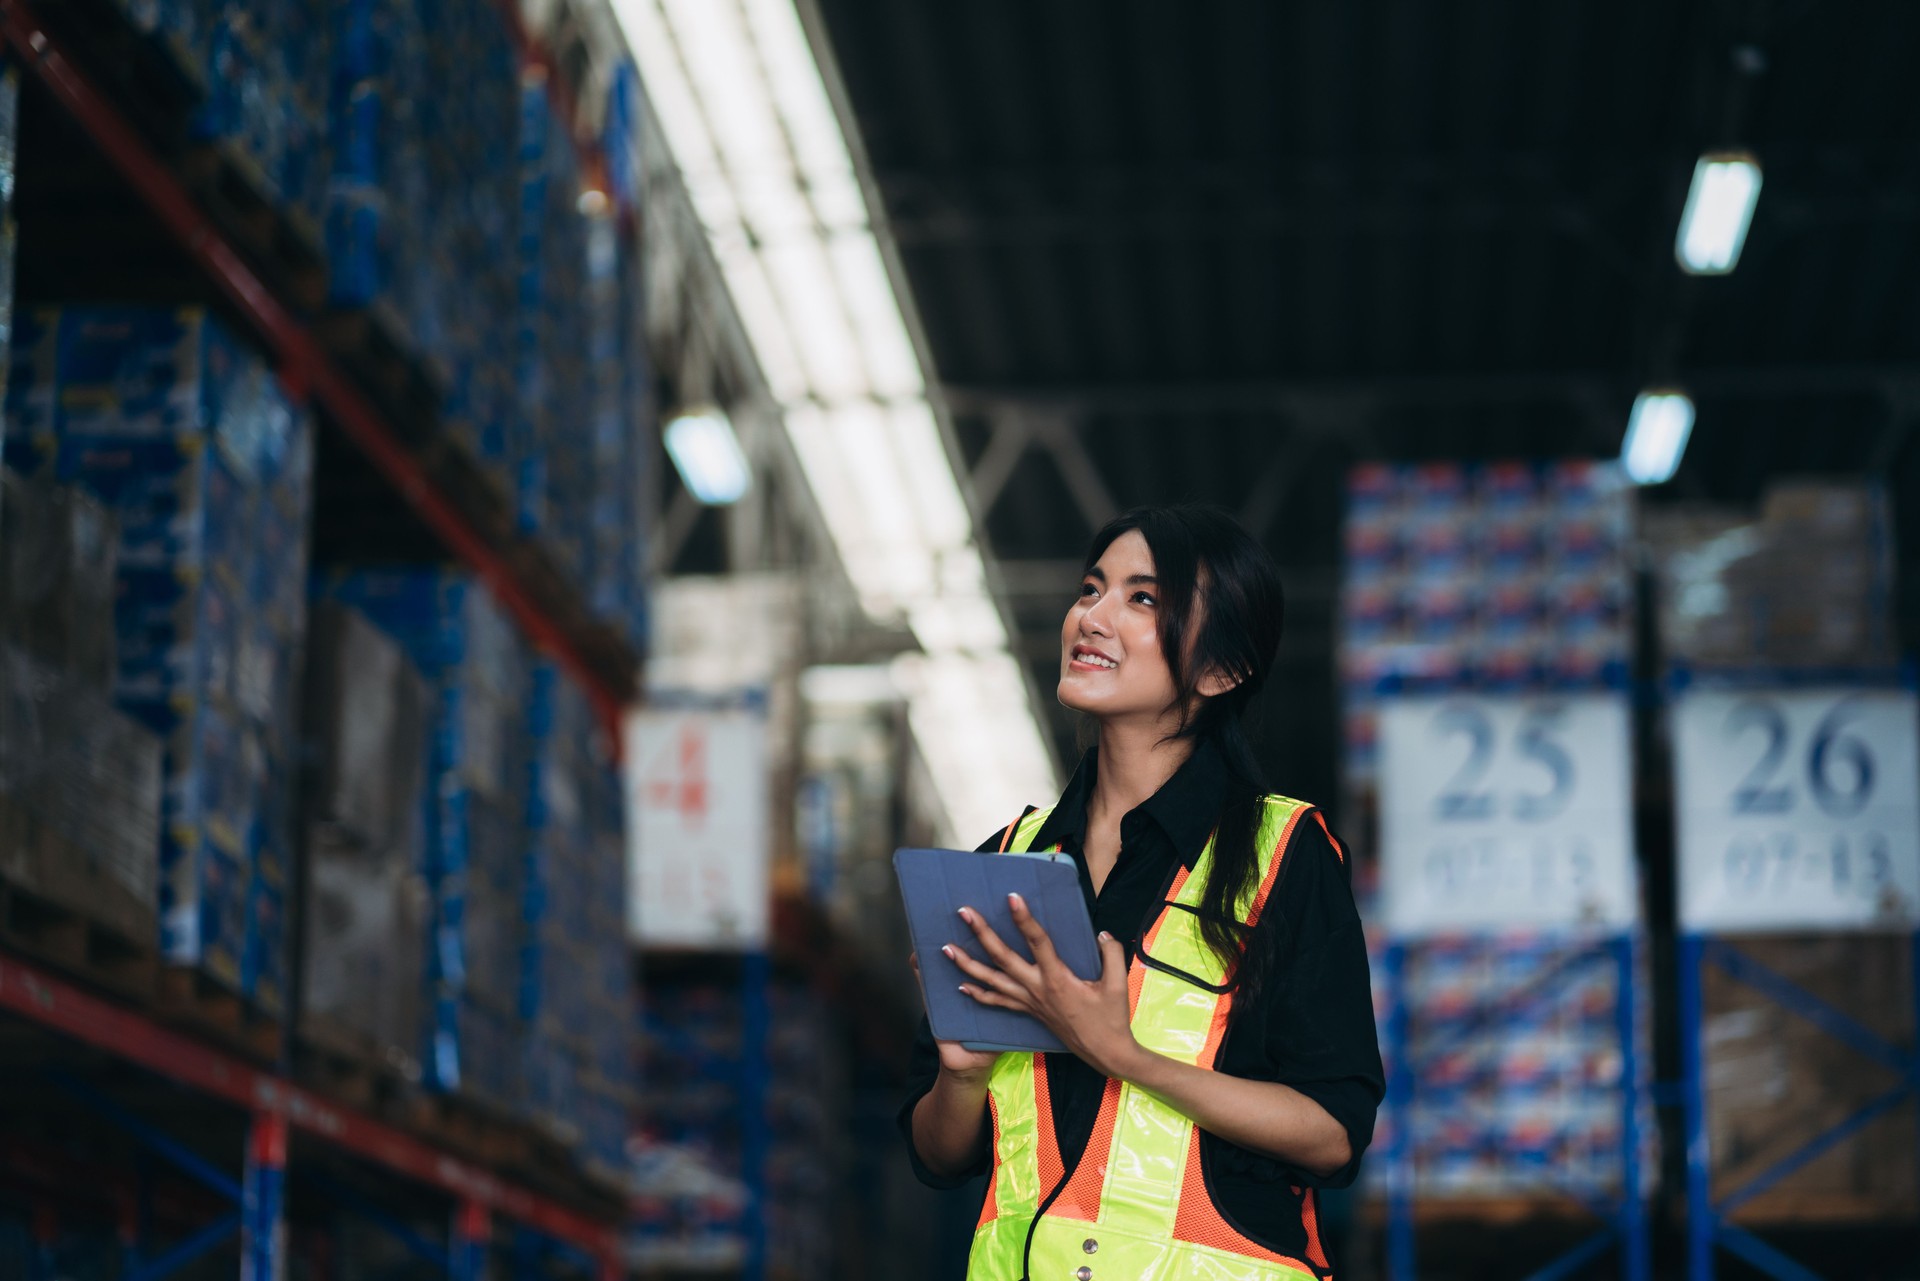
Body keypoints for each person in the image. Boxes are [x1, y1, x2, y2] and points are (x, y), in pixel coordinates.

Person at [900, 505, 1383, 1280]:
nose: (1093, 616)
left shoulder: (1285, 854)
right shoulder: (1005, 859)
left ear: (1222, 670)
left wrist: (1123, 1054)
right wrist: (958, 1076)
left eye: (1143, 599)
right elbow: (938, 1153)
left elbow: (1333, 1132)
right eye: (1091, 589)